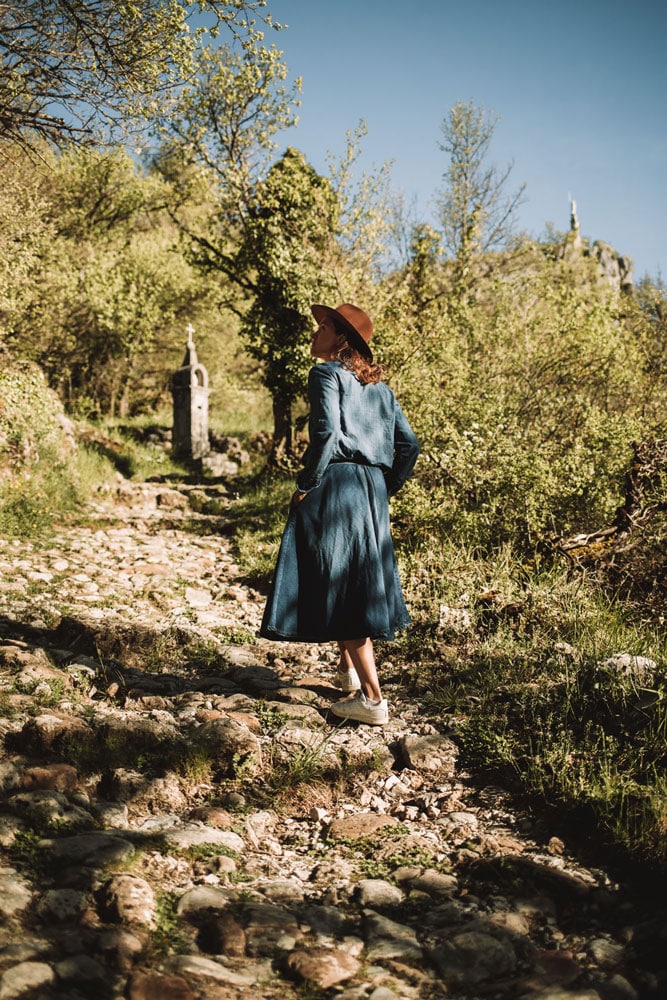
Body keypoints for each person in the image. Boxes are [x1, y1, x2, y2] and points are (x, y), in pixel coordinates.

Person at [259, 302, 419, 725]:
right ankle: (347, 672)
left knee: (342, 580)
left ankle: (372, 700)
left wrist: (306, 484)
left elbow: (327, 434)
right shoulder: (382, 391)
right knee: (347, 573)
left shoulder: (325, 374)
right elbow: (410, 446)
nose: (315, 333)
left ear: (342, 339)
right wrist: (384, 488)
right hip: (370, 489)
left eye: (323, 327)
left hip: (337, 483)